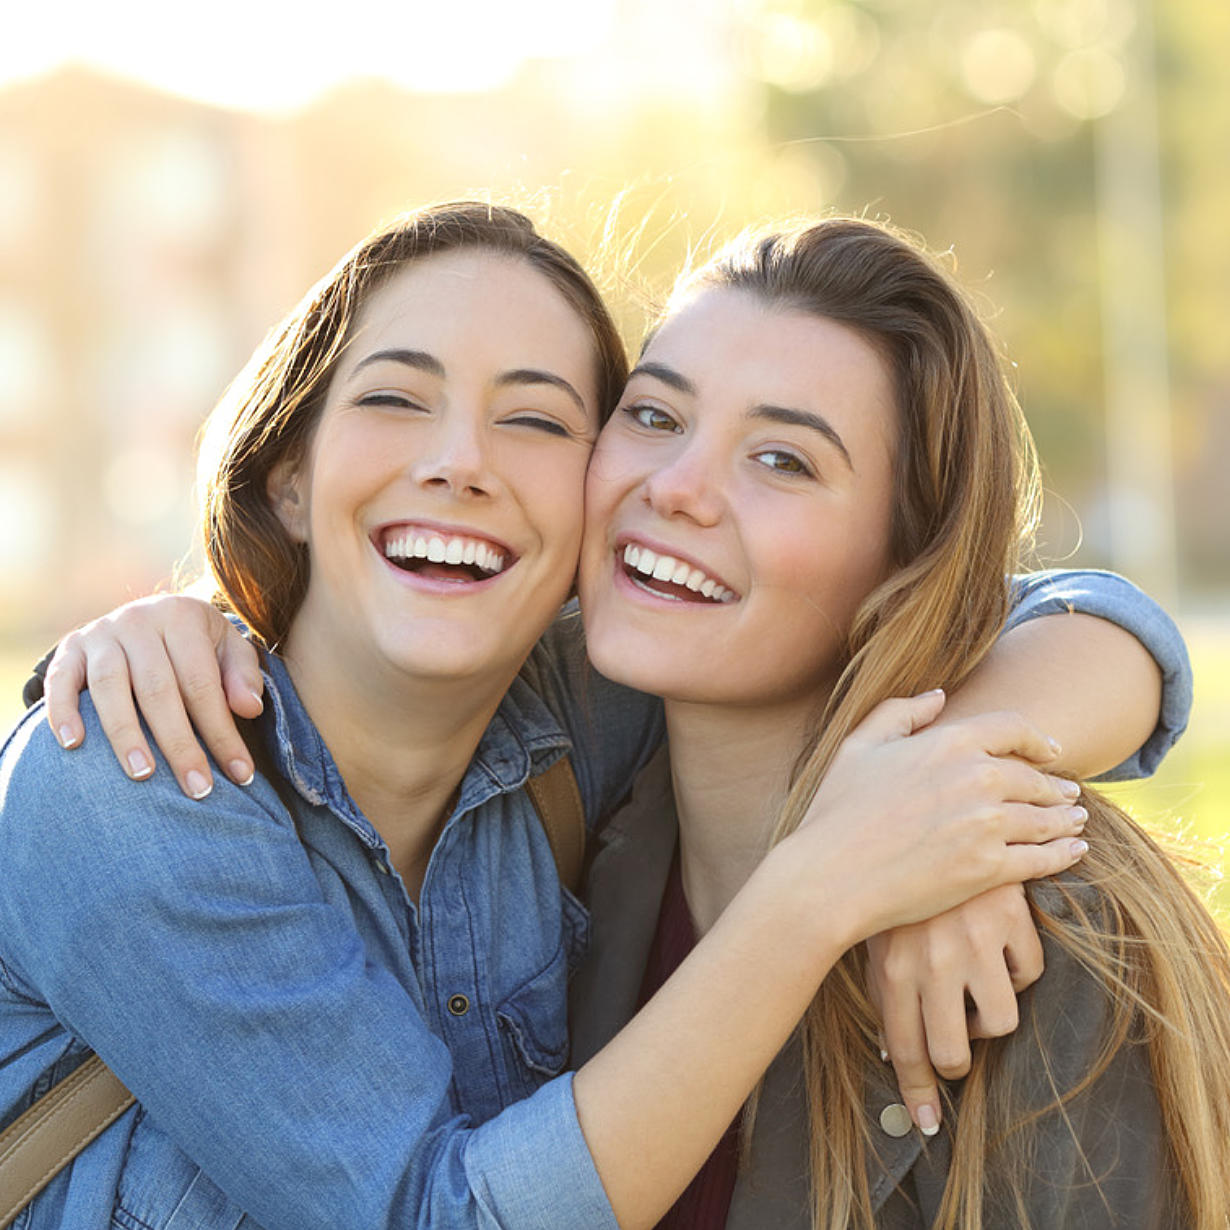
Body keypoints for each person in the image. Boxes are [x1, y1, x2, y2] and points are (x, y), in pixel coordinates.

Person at [3, 203, 1186, 1229]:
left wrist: (957, 778)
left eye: (534, 419)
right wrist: (829, 881)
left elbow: (1082, 615)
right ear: (285, 473)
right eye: (658, 419)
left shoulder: (595, 716)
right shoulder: (135, 771)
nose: (461, 462)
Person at [564, 215, 1230, 1227]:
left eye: (782, 460)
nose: (675, 489)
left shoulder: (1041, 936)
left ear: (909, 559)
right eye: (654, 416)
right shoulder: (560, 841)